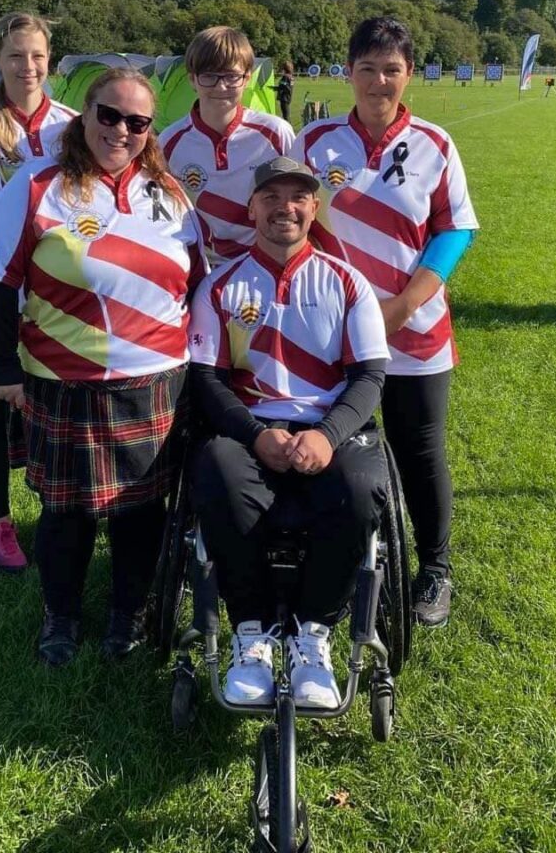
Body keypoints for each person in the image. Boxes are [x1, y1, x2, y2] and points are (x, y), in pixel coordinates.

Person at [0, 68, 206, 667]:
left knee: (141, 510)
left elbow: (197, 283)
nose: (120, 130)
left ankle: (129, 612)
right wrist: (1, 370)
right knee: (66, 513)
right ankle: (62, 617)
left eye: (136, 122)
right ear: (85, 114)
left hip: (157, 381)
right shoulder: (34, 183)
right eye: (108, 114)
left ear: (150, 130)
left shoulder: (170, 194)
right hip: (64, 381)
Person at [290, 16, 479, 627]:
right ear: (348, 72)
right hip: (330, 333)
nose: (378, 82)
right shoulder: (313, 140)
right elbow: (292, 221)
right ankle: (334, 562)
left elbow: (454, 230)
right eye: (366, 68)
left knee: (419, 449)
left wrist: (400, 309)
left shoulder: (435, 143)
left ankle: (435, 569)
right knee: (334, 451)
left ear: (408, 74)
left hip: (415, 332)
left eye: (391, 69)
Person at [189, 155, 390, 709]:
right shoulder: (218, 285)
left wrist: (327, 434)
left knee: (356, 491)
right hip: (250, 427)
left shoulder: (349, 283)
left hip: (332, 427)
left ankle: (314, 637)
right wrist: (254, 435)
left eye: (298, 197)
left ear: (314, 207)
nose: (286, 208)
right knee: (218, 475)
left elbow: (371, 377)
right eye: (272, 197)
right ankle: (250, 635)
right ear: (252, 207)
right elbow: (206, 379)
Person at [0, 11, 76, 572]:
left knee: (62, 403)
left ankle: (64, 507)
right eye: (16, 55)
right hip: (4, 290)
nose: (28, 67)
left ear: (49, 59)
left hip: (64, 292)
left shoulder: (75, 124)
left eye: (37, 56)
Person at [159, 26, 296, 267]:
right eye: (209, 76)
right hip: (201, 268)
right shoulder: (169, 141)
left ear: (247, 77)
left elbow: (298, 202)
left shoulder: (276, 132)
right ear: (192, 78)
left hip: (265, 264)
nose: (220, 87)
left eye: (231, 76)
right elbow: (162, 214)